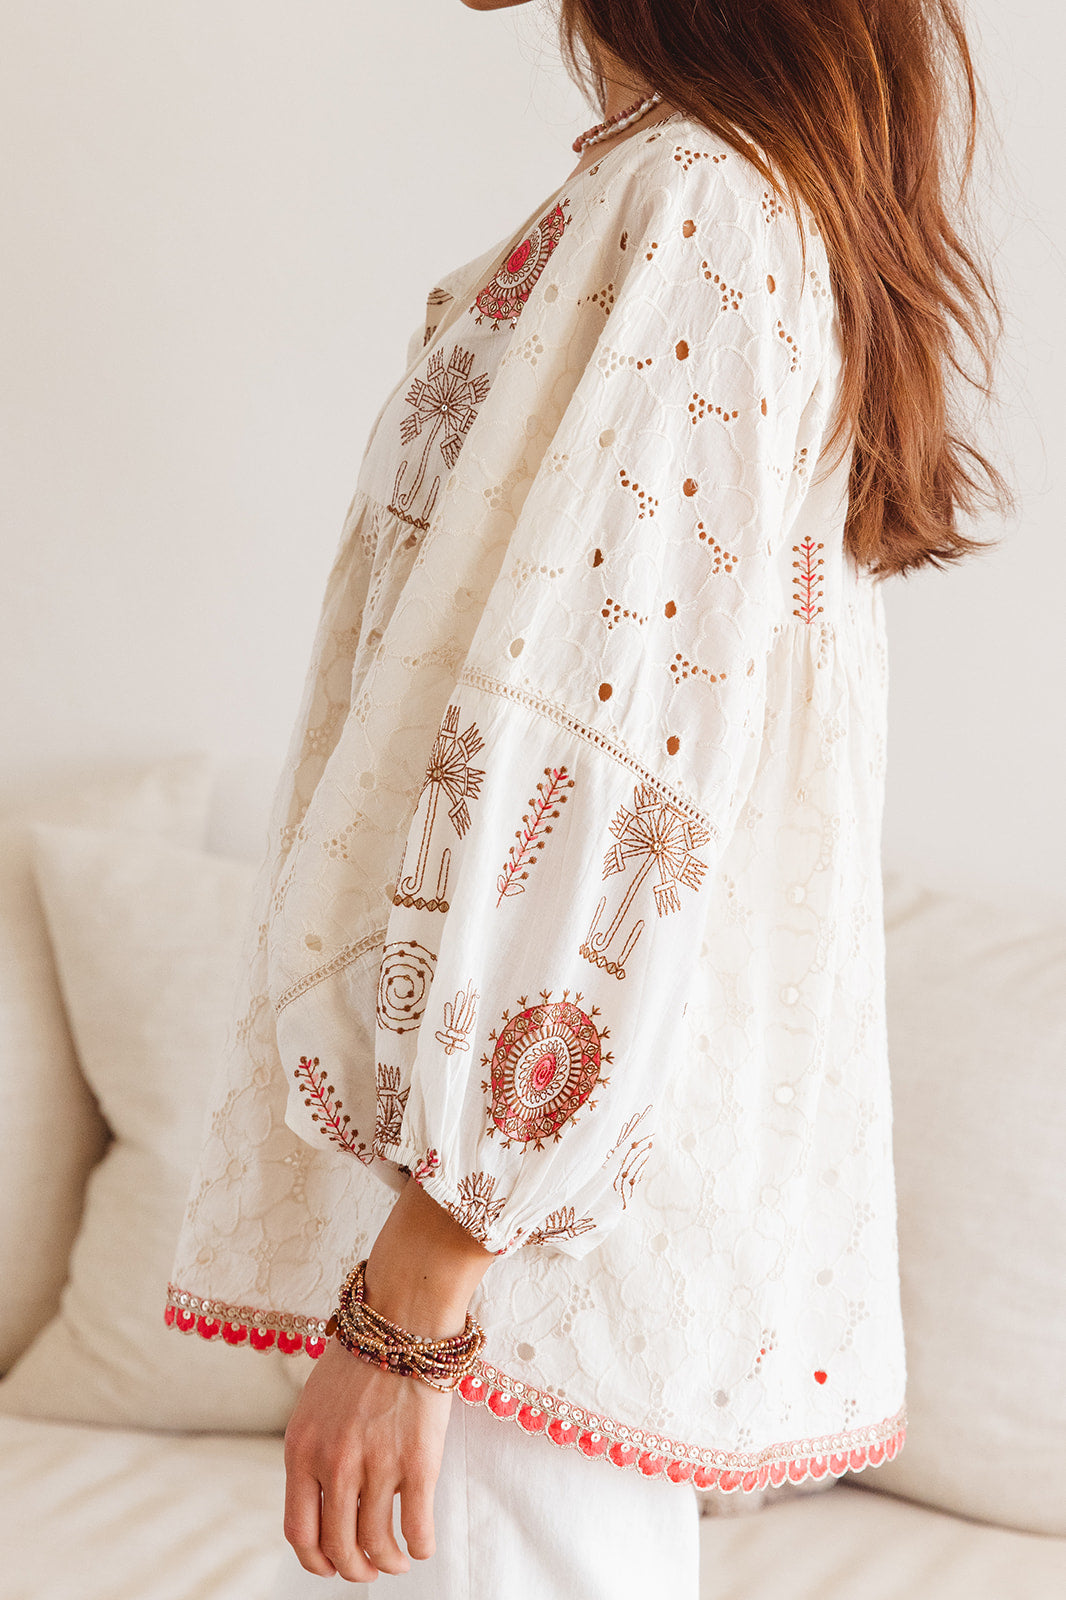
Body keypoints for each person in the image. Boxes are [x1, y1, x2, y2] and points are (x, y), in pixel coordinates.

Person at [167, 2, 1008, 1594]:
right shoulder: (702, 189)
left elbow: (610, 770)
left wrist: (422, 1283)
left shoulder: (698, 201)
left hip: (504, 1263)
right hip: (504, 1229)